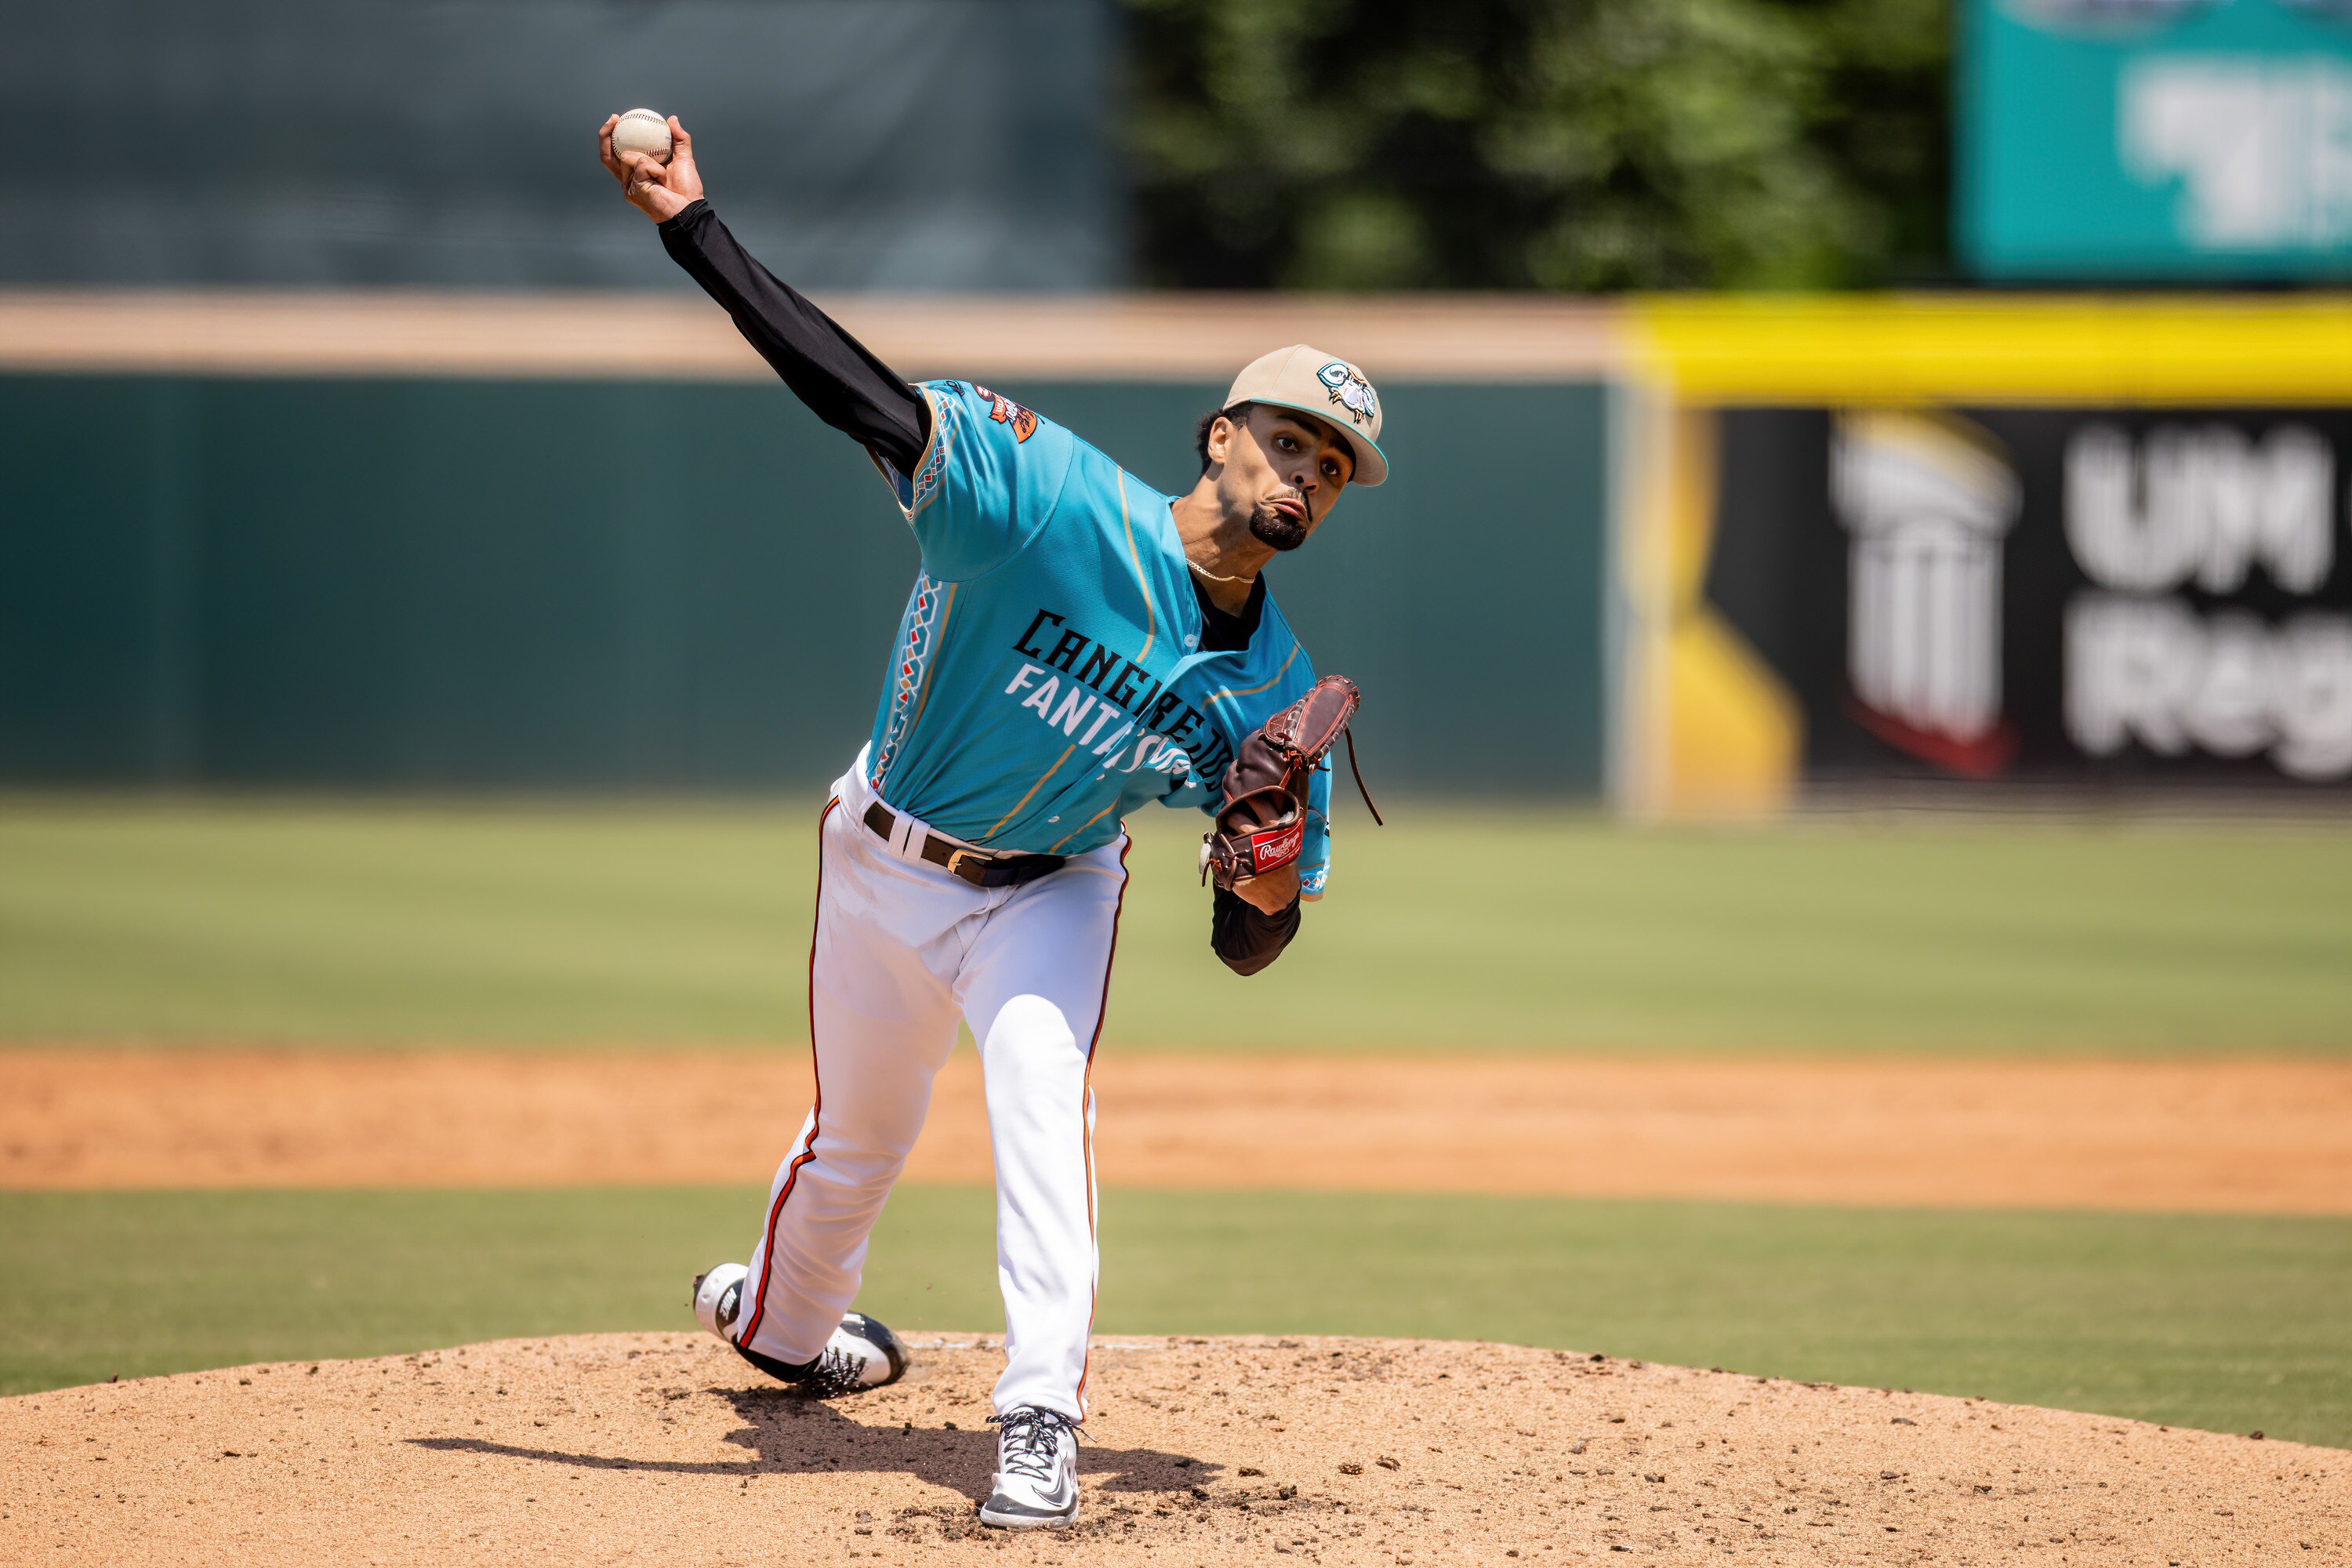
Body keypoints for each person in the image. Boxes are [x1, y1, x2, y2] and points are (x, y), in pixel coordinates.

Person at [597, 113, 1388, 1531]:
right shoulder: (1047, 500)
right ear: (1221, 438)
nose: (1306, 477)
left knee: (1041, 1108)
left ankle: (1038, 1423)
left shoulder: (1273, 700)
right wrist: (692, 229)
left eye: (1332, 470)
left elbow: (1246, 947)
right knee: (858, 1144)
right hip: (879, 849)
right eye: (1290, 442)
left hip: (1051, 888)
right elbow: (858, 396)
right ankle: (778, 1325)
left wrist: (1263, 871)